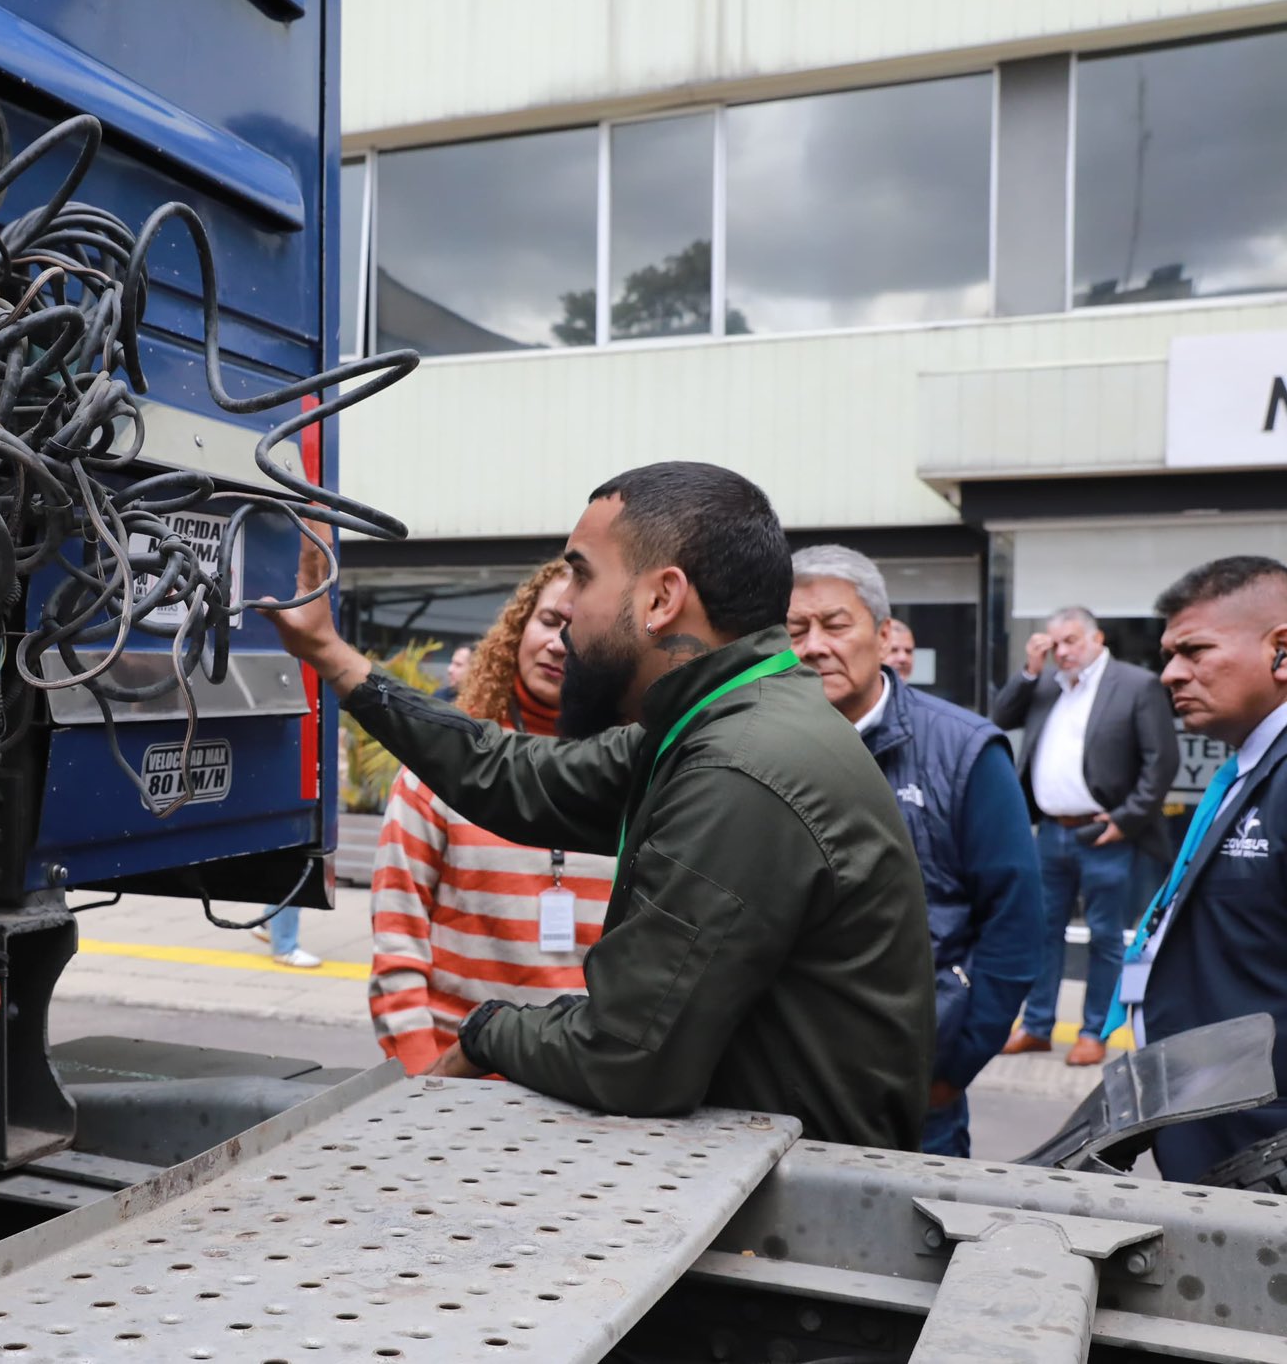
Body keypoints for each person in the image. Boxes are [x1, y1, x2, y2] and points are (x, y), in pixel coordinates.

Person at [268, 461, 933, 1149]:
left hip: (796, 1199)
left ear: (661, 599)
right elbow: (512, 773)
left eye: (583, 575)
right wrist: (329, 653)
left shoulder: (739, 768)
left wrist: (488, 1031)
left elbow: (629, 1055)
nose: (568, 615)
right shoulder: (715, 723)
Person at [788, 546, 1042, 1157]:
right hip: (778, 1086)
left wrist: (951, 1069)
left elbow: (1015, 922)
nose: (814, 645)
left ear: (882, 634)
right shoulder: (761, 745)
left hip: (914, 1098)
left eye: (834, 624)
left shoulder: (964, 751)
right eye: (795, 630)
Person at [369, 563, 614, 1074]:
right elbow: (397, 940)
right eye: (549, 620)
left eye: (578, 629)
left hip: (585, 1085)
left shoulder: (631, 773)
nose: (559, 643)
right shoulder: (446, 763)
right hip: (454, 1083)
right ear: (517, 629)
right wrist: (423, 1082)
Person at [1101, 557, 1287, 1182]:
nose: (1171, 674)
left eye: (1195, 650)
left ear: (1282, 650)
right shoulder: (1246, 769)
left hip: (1263, 1149)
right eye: (1167, 654)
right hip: (1215, 1139)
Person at [992, 607, 1177, 1066]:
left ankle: (1095, 1030)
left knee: (1105, 937)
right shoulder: (1046, 686)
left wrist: (1126, 819)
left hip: (1106, 834)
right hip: (1050, 831)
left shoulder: (1135, 685)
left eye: (1072, 641)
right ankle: (1036, 1026)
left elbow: (1162, 762)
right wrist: (1029, 672)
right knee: (1043, 931)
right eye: (1055, 644)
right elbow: (1000, 716)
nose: (1064, 652)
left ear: (1098, 638)